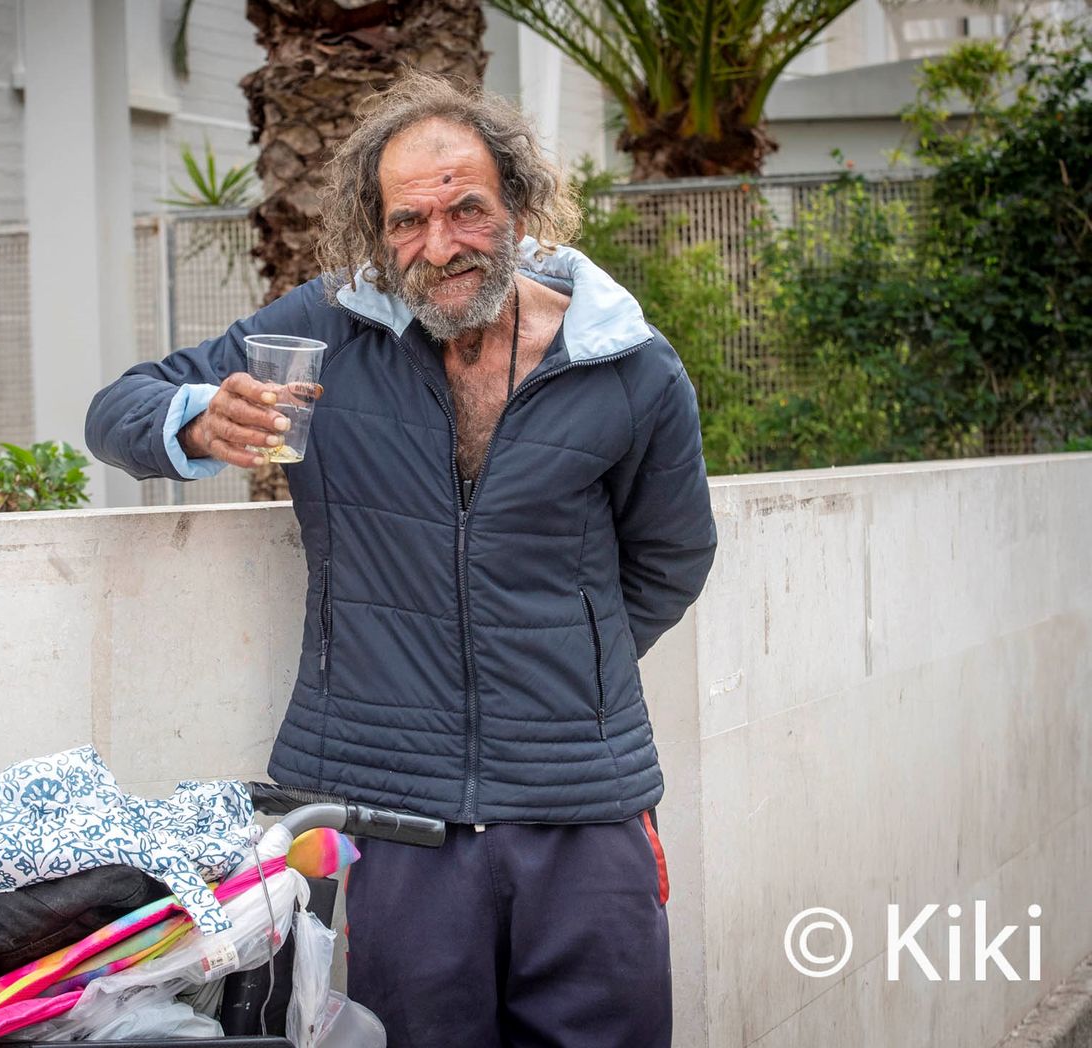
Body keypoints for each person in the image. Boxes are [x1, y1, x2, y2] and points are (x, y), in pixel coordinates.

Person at [85, 73, 716, 1048]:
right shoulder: (321, 332)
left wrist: (567, 667)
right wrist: (195, 419)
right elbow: (115, 408)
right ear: (373, 230)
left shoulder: (624, 363)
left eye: (467, 209)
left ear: (518, 205)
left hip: (582, 804)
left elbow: (670, 554)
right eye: (408, 220)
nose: (440, 245)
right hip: (379, 809)